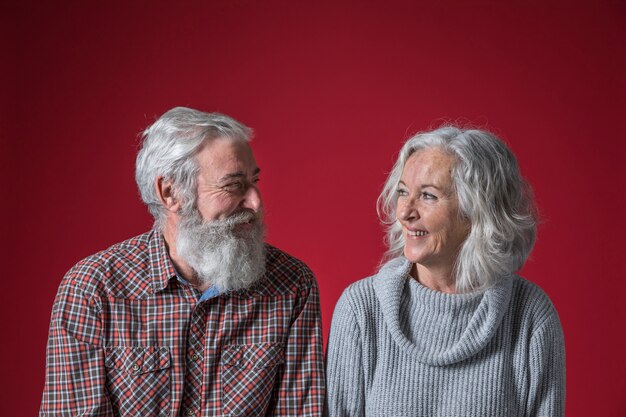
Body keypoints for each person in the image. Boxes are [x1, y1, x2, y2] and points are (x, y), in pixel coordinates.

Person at [40, 107, 325, 417]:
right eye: (233, 185)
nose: (256, 202)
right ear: (170, 193)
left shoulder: (292, 284)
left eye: (253, 181)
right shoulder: (93, 290)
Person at [326, 126, 565, 416]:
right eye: (403, 192)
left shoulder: (530, 316)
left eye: (428, 196)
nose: (405, 212)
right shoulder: (360, 310)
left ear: (477, 211)